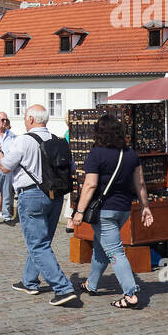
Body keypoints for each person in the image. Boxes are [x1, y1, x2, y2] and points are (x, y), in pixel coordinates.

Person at [0, 104, 78, 306]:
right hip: (55, 196)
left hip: (31, 195)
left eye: (25, 117)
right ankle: (29, 281)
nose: (24, 121)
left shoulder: (23, 141)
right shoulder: (58, 140)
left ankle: (63, 288)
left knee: (37, 244)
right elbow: (72, 168)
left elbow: (5, 167)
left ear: (31, 119)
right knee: (42, 242)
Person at [69, 114, 154, 308]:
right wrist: (145, 207)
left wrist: (79, 211)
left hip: (104, 211)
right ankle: (91, 284)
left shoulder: (96, 154)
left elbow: (90, 185)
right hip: (123, 209)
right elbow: (140, 183)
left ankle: (130, 293)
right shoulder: (130, 153)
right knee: (101, 247)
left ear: (98, 133)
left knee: (115, 252)